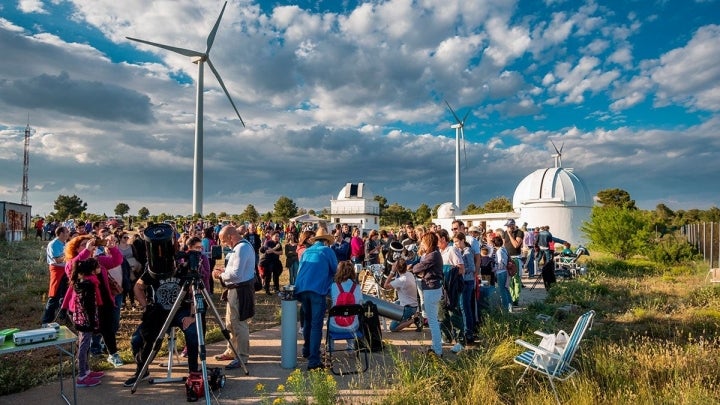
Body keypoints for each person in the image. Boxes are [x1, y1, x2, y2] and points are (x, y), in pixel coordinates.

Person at [124, 251, 202, 387]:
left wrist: (191, 316)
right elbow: (138, 287)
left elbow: (195, 293)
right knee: (137, 339)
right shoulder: (155, 270)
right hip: (158, 312)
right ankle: (142, 370)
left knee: (192, 333)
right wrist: (146, 307)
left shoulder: (184, 270)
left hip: (180, 311)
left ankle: (194, 371)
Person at [61, 235, 124, 367]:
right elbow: (72, 269)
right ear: (76, 249)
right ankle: (82, 365)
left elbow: (116, 261)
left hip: (103, 301)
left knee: (108, 329)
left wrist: (112, 248)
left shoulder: (98, 260)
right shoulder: (73, 262)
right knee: (84, 334)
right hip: (84, 305)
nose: (88, 246)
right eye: (83, 245)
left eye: (90, 244)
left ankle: (113, 355)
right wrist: (86, 252)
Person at [294, 228, 338, 370]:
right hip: (317, 289)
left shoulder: (307, 251)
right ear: (326, 241)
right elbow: (335, 270)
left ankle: (306, 350)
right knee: (316, 325)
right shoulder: (327, 251)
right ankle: (314, 360)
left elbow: (301, 269)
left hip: (302, 288)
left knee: (307, 320)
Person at [213, 225, 256, 370]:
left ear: (231, 237)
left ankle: (242, 356)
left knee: (239, 324)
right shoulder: (239, 248)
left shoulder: (241, 248)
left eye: (224, 241)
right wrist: (225, 270)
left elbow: (237, 274)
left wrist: (221, 275)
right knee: (230, 324)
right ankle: (231, 351)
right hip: (235, 290)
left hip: (240, 290)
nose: (224, 244)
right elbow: (237, 269)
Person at [70, 257, 105, 387]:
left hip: (81, 318)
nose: (99, 268)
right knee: (84, 346)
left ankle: (87, 370)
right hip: (86, 320)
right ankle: (82, 376)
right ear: (92, 270)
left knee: (85, 344)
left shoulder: (83, 281)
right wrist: (93, 322)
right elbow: (89, 306)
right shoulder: (88, 285)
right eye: (97, 266)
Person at [410, 232, 444, 357]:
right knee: (433, 320)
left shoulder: (433, 255)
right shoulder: (433, 254)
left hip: (431, 289)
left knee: (433, 322)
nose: (422, 244)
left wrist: (415, 268)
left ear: (428, 242)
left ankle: (437, 350)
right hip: (432, 289)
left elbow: (417, 268)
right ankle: (436, 347)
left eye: (424, 242)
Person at [437, 229, 465, 352]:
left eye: (436, 238)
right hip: (441, 288)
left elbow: (461, 269)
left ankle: (460, 341)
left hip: (452, 287)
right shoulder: (439, 252)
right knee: (442, 313)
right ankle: (446, 337)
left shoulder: (452, 250)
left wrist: (446, 271)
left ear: (443, 239)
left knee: (454, 313)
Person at [328, 260, 364, 349]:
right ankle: (350, 347)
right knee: (351, 313)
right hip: (353, 327)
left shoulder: (333, 286)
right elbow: (360, 303)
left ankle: (330, 348)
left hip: (334, 326)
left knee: (332, 316)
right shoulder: (357, 288)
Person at [41, 226, 70, 324]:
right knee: (54, 296)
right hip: (57, 271)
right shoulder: (54, 244)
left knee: (65, 295)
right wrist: (69, 255)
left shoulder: (64, 243)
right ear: (61, 233)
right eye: (66, 232)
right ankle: (46, 321)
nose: (68, 233)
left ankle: (63, 316)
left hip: (65, 270)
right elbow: (57, 259)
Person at [383, 257, 420, 332]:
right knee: (395, 304)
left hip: (408, 308)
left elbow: (385, 286)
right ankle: (406, 318)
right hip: (412, 305)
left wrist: (392, 272)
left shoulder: (401, 280)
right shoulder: (409, 274)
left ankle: (414, 320)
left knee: (392, 328)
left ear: (396, 268)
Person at [454, 233, 477, 344]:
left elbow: (472, 268)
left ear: (463, 240)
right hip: (465, 281)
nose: (456, 244)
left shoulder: (467, 252)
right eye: (454, 242)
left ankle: (468, 332)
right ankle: (468, 331)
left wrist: (460, 269)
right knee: (465, 307)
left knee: (465, 307)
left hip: (467, 281)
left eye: (457, 241)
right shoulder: (461, 251)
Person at [493, 235, 513, 312]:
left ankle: (505, 308)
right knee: (506, 289)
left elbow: (501, 263)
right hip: (505, 272)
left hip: (501, 272)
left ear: (495, 244)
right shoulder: (504, 249)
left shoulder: (499, 251)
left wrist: (495, 268)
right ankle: (510, 306)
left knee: (502, 290)